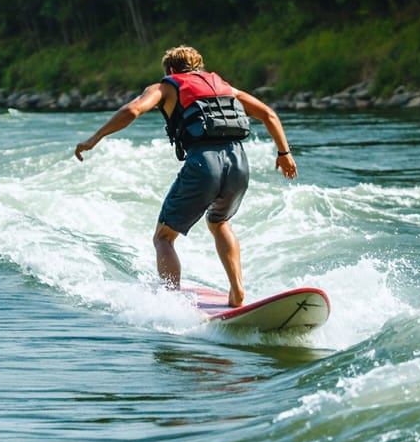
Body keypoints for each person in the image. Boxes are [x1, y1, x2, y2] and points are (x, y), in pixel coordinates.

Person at [74, 45, 297, 307]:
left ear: (170, 70)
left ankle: (171, 302)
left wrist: (94, 139)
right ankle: (237, 291)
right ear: (199, 67)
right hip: (239, 163)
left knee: (163, 237)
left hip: (204, 164)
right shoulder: (225, 87)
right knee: (219, 222)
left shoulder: (166, 87)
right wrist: (284, 153)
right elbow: (268, 113)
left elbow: (132, 110)